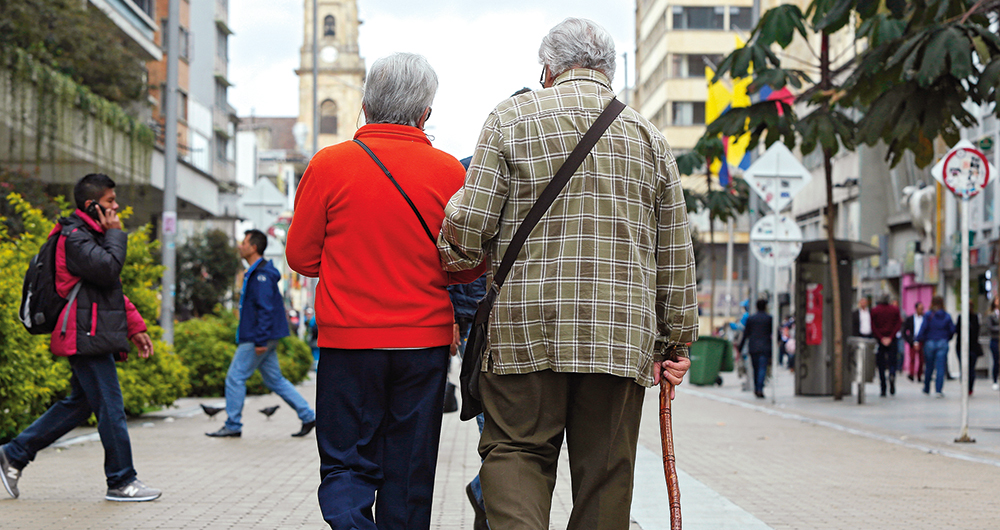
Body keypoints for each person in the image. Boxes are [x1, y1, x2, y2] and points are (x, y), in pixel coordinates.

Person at [438, 18, 696, 529]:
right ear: (610, 71)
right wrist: (678, 341)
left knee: (516, 452)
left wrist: (454, 247)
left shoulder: (511, 118)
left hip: (523, 331)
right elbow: (675, 255)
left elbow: (469, 228)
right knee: (605, 475)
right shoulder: (649, 137)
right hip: (621, 337)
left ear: (547, 68)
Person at [284, 53, 484, 529]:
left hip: (347, 342)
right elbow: (465, 266)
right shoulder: (450, 174)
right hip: (422, 346)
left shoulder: (329, 165)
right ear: (425, 114)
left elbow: (300, 257)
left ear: (366, 106)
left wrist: (343, 269)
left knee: (346, 461)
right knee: (410, 470)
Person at [1, 173, 159, 502]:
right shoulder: (75, 238)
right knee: (111, 408)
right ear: (92, 205)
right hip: (85, 335)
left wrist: (136, 327)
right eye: (110, 202)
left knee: (80, 404)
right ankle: (121, 480)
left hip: (90, 331)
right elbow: (108, 270)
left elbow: (107, 291)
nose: (116, 208)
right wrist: (117, 235)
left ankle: (14, 454)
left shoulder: (90, 236)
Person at [206, 229, 316, 439]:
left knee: (235, 378)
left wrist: (261, 339)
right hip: (261, 335)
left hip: (257, 336)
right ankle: (308, 415)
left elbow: (265, 309)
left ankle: (233, 424)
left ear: (253, 247)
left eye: (244, 243)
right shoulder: (257, 272)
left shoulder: (262, 275)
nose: (240, 246)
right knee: (275, 380)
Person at [915, 295, 955, 398]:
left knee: (929, 366)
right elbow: (952, 330)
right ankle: (938, 390)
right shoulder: (947, 316)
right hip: (942, 342)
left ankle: (927, 387)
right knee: (940, 367)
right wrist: (947, 338)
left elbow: (923, 328)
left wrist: (918, 340)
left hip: (930, 342)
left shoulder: (928, 315)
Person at [739, 300, 774, 399]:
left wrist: (740, 347)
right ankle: (759, 388)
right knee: (762, 368)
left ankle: (756, 388)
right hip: (765, 347)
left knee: (756, 369)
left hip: (753, 347)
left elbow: (746, 334)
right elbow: (775, 333)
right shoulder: (769, 318)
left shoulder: (751, 319)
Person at [871, 294, 902, 397]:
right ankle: (892, 374)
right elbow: (898, 324)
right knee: (893, 361)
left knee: (881, 364)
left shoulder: (875, 311)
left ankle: (883, 386)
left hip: (880, 340)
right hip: (892, 339)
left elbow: (873, 326)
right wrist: (891, 337)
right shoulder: (895, 310)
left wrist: (881, 337)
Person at [954, 301, 983, 395]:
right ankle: (967, 387)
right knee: (967, 368)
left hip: (971, 347)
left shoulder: (974, 318)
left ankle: (968, 387)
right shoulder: (961, 317)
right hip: (964, 347)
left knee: (968, 369)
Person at [902, 302, 926, 383]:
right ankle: (911, 374)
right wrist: (910, 340)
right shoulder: (910, 319)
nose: (921, 310)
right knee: (912, 358)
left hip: (922, 340)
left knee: (921, 359)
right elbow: (905, 331)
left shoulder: (925, 318)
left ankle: (919, 375)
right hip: (913, 340)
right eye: (920, 308)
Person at [988, 297, 1000, 391]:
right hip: (995, 339)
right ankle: (995, 380)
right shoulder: (991, 315)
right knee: (996, 360)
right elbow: (990, 327)